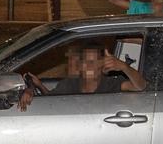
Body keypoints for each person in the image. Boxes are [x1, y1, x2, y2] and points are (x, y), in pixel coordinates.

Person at [18, 43, 146, 111]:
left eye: (94, 61)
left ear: (104, 66)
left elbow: (140, 86)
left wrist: (124, 67)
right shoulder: (71, 84)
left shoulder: (111, 84)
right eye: (85, 61)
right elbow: (52, 100)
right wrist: (34, 87)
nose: (89, 66)